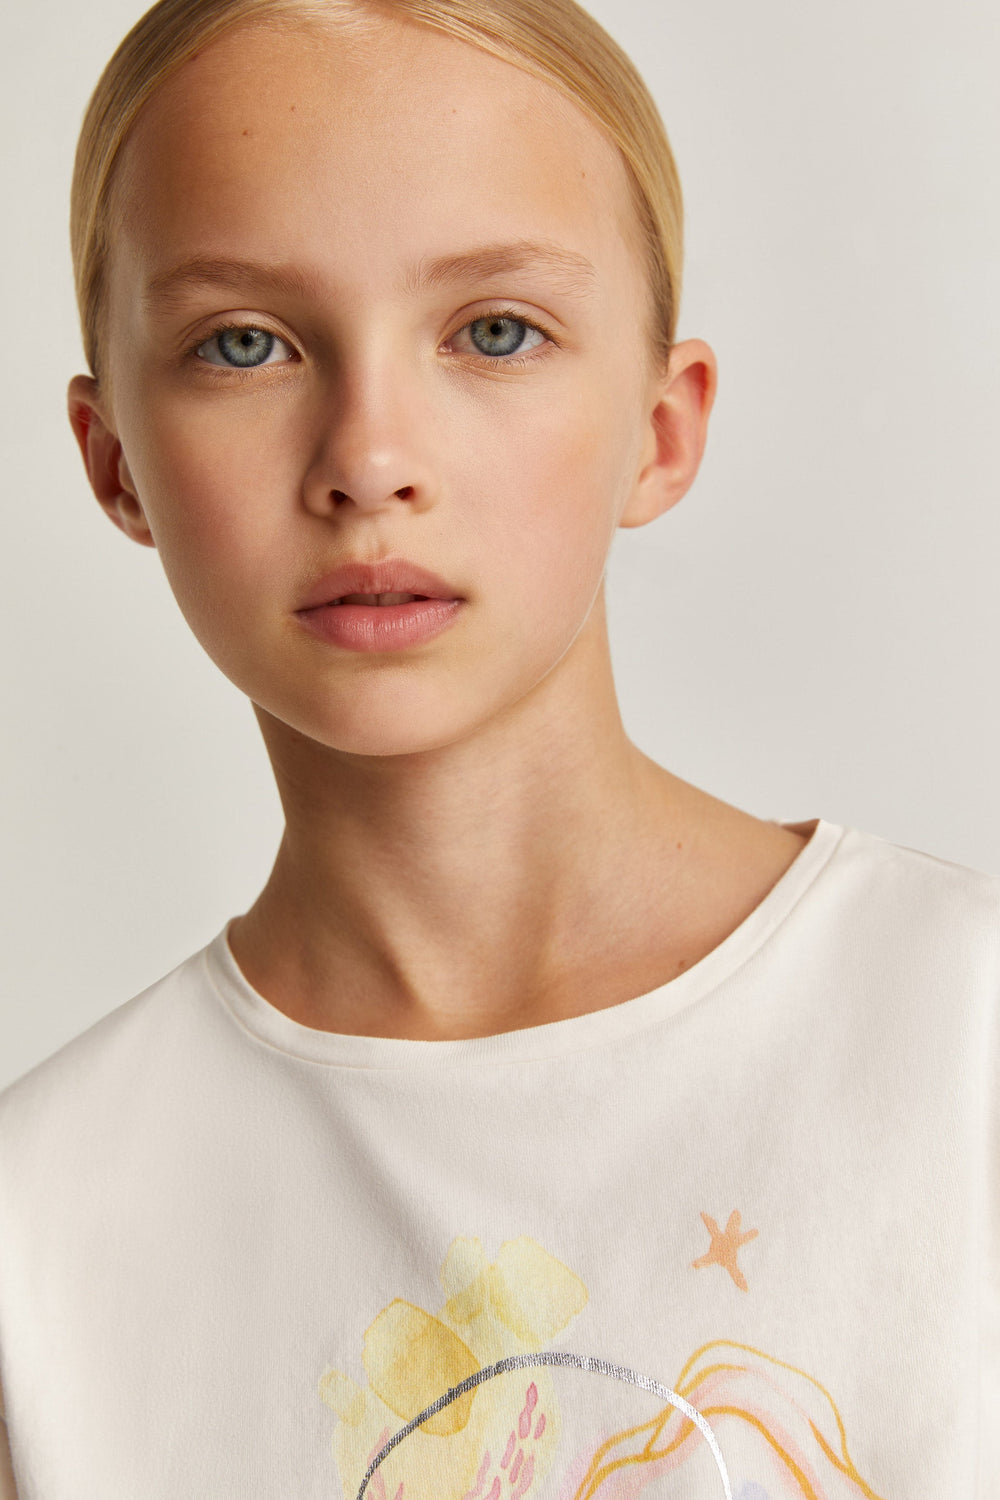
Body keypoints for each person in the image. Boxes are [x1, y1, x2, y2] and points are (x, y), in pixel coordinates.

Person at [0, 0, 996, 1495]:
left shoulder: (965, 1041)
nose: (370, 460)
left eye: (495, 331)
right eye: (246, 344)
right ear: (114, 460)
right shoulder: (38, 1250)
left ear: (660, 428)